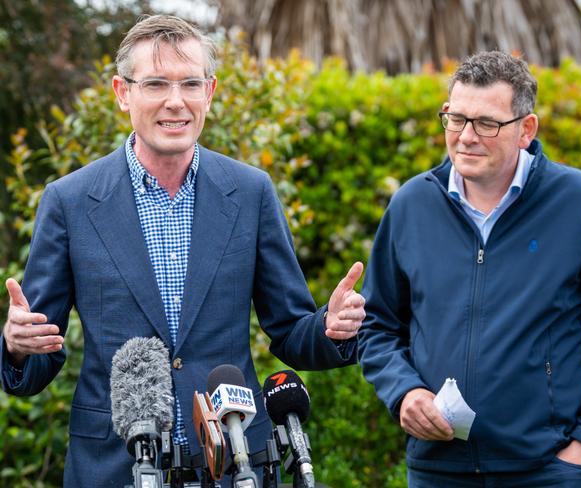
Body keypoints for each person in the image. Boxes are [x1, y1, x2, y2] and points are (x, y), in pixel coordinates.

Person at [0, 15, 365, 488]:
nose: (176, 101)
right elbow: (37, 360)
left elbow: (290, 330)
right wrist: (16, 346)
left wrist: (331, 329)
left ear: (209, 92)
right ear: (122, 92)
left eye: (190, 83)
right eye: (155, 84)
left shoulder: (250, 191)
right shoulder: (70, 202)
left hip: (235, 465)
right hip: (112, 467)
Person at [358, 50, 581, 487]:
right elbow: (377, 324)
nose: (466, 137)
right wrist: (404, 392)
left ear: (525, 130)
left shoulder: (580, 203)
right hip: (439, 470)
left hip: (548, 471)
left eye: (487, 124)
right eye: (455, 119)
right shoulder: (411, 205)